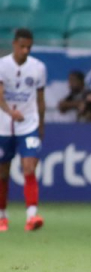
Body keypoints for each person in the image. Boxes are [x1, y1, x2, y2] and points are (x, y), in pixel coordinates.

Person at [0, 29, 46, 232]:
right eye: (22, 47)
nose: (26, 51)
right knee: (2, 173)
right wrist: (10, 112)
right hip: (3, 125)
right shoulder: (2, 65)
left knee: (29, 167)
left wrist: (41, 126)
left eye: (29, 47)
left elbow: (41, 99)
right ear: (14, 45)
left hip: (29, 125)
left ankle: (32, 216)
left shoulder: (38, 68)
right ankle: (2, 216)